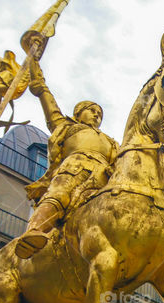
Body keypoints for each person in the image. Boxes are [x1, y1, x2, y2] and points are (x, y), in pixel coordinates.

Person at [14, 58, 118, 259]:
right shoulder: (67, 126)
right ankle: (34, 231)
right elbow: (43, 93)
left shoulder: (110, 142)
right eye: (92, 110)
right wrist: (34, 67)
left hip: (103, 179)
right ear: (78, 113)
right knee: (59, 195)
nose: (96, 116)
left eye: (100, 114)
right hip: (73, 168)